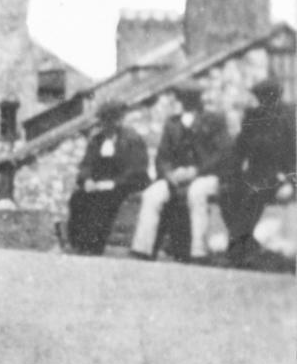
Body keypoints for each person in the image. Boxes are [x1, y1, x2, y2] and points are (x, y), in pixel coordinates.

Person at [129, 85, 228, 261]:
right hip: (177, 177)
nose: (188, 103)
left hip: (206, 176)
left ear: (199, 100)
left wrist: (196, 170)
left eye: (192, 98)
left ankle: (199, 252)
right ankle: (142, 249)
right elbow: (162, 156)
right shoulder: (172, 123)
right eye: (184, 99)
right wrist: (169, 174)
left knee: (196, 192)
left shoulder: (214, 120)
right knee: (151, 195)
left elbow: (222, 154)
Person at [218, 76, 296, 268]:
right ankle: (247, 244)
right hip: (256, 174)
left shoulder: (288, 119)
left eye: (267, 97)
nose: (263, 102)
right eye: (260, 97)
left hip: (280, 177)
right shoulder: (253, 118)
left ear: (276, 97)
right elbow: (239, 150)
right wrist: (229, 176)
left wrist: (291, 183)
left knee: (253, 194)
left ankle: (237, 251)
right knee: (226, 193)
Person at [65, 101, 149, 255]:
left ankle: (94, 246)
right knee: (78, 198)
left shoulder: (132, 139)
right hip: (98, 184)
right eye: (104, 120)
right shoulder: (97, 140)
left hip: (124, 184)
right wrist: (87, 179)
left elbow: (136, 170)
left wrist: (112, 183)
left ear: (118, 121)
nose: (107, 125)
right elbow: (86, 164)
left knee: (103, 201)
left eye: (111, 120)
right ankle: (77, 244)